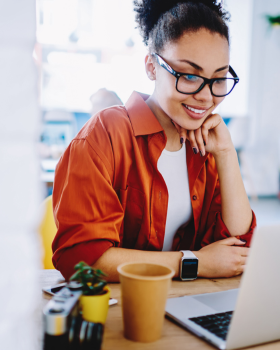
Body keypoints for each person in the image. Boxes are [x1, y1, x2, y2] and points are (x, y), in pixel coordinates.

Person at [52, 0, 256, 281]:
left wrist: (226, 153)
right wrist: (195, 263)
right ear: (151, 66)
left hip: (186, 304)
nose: (207, 97)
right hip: (119, 309)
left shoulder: (207, 146)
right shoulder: (105, 134)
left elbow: (238, 250)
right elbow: (81, 260)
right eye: (188, 75)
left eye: (219, 79)